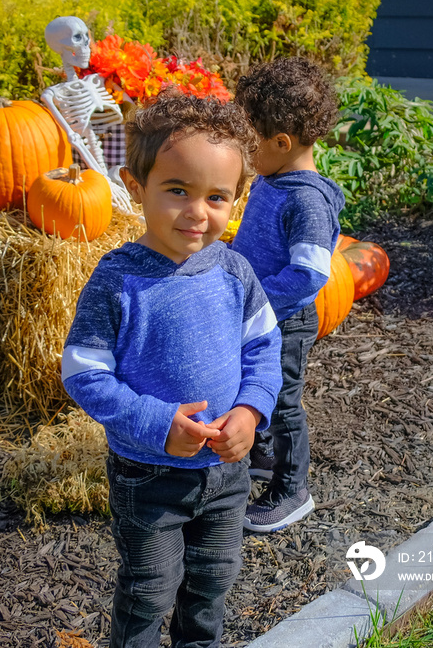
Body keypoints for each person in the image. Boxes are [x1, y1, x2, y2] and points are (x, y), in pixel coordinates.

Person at [61, 94, 283, 648]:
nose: (197, 212)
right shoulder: (117, 281)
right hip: (149, 475)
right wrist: (157, 421)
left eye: (216, 197)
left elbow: (264, 347)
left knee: (213, 580)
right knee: (149, 589)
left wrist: (251, 410)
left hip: (227, 472)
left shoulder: (234, 271)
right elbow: (83, 371)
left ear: (237, 198)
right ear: (135, 188)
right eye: (177, 191)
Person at [232, 57, 345, 533]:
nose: (241, 150)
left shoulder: (305, 200)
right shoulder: (274, 177)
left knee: (282, 402)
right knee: (251, 385)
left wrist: (256, 304)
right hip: (258, 313)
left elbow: (310, 273)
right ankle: (261, 455)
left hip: (283, 319)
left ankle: (292, 489)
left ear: (282, 143)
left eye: (248, 141)